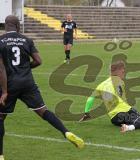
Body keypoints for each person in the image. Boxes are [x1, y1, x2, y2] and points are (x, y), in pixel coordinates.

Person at [0, 15, 84, 160]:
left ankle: (0, 155)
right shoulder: (27, 40)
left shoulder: (0, 41)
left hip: (10, 83)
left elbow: (1, 68)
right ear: (17, 26)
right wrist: (25, 68)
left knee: (0, 117)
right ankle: (65, 132)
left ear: (5, 26)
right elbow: (38, 61)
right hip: (27, 83)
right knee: (43, 111)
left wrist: (5, 91)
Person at [80, 61, 140, 133]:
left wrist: (87, 113)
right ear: (119, 71)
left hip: (114, 118)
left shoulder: (101, 85)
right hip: (124, 112)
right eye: (123, 71)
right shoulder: (119, 81)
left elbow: (90, 99)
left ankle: (128, 126)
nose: (124, 73)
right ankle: (128, 128)